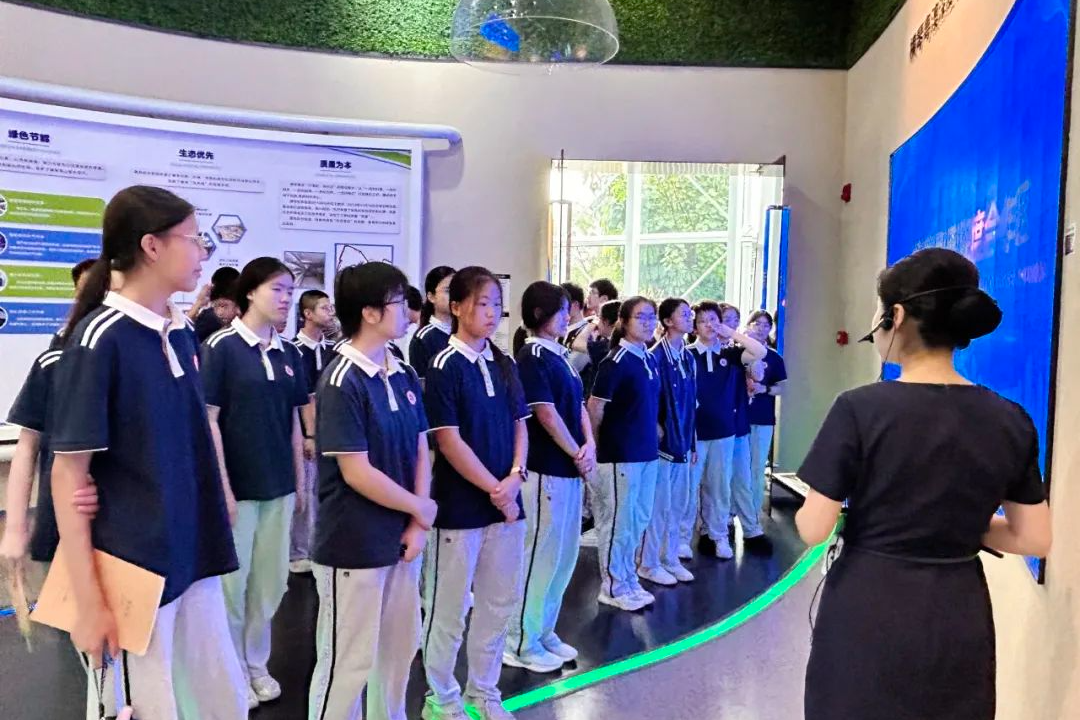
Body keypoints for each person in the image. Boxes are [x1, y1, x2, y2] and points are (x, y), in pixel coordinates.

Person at [796, 248, 1052, 720]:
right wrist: (954, 526)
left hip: (868, 604)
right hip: (958, 611)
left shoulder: (858, 408)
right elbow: (1034, 538)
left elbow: (814, 528)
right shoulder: (1010, 418)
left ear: (894, 316)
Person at [48, 185, 246, 719]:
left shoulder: (178, 332)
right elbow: (68, 474)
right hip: (134, 570)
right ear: (151, 246)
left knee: (220, 701)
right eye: (194, 239)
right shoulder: (99, 340)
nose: (203, 252)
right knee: (147, 706)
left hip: (194, 555)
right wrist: (89, 605)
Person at [307, 262, 437, 720]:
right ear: (370, 312)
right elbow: (356, 472)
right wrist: (420, 507)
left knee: (399, 651)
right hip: (354, 543)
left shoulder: (400, 372)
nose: (408, 311)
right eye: (399, 302)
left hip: (401, 539)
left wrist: (418, 521)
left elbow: (420, 445)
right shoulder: (342, 380)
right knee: (348, 662)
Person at [421, 266, 529, 720]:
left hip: (506, 506)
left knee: (497, 603)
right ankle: (440, 697)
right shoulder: (443, 365)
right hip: (460, 508)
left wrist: (516, 477)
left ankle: (484, 691)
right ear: (457, 306)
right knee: (448, 609)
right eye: (482, 303)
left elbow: (521, 424)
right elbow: (449, 441)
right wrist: (494, 488)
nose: (491, 313)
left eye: (496, 304)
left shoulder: (503, 362)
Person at [202, 257, 309, 710]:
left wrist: (300, 482)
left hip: (279, 487)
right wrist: (223, 489)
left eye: (290, 291)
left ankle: (255, 664)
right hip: (239, 491)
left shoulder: (289, 354)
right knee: (233, 586)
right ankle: (231, 672)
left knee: (270, 585)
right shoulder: (221, 348)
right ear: (250, 292)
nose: (285, 299)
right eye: (277, 290)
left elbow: (294, 422)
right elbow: (209, 421)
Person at [505, 282, 596, 673]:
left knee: (563, 555)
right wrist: (575, 451)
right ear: (539, 314)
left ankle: (543, 630)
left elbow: (577, 407)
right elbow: (545, 413)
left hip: (570, 469)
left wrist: (588, 445)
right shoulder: (532, 355)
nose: (567, 316)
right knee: (539, 555)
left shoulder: (559, 355)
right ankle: (519, 640)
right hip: (546, 471)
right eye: (560, 310)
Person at [587, 297, 661, 612]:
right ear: (624, 321)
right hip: (620, 455)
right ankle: (613, 585)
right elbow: (595, 408)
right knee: (618, 521)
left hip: (647, 453)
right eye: (640, 316)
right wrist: (596, 448)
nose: (647, 322)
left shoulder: (649, 358)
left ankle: (628, 578)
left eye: (651, 316)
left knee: (639, 519)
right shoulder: (615, 361)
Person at [684, 302, 766, 560]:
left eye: (714, 320)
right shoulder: (687, 354)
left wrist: (729, 332)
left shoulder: (730, 353)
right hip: (695, 433)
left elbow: (759, 351)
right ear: (694, 326)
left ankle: (719, 534)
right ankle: (682, 538)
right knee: (689, 488)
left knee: (720, 486)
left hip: (725, 431)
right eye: (703, 321)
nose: (709, 325)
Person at [638, 298, 697, 585]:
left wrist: (692, 442)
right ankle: (649, 563)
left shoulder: (688, 357)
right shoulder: (655, 357)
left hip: (683, 443)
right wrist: (656, 428)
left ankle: (670, 558)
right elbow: (647, 402)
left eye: (690, 313)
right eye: (684, 314)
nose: (690, 318)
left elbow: (691, 403)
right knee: (658, 508)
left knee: (678, 506)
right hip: (662, 448)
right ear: (668, 321)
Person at [290, 289, 337, 574]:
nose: (330, 312)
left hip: (331, 432)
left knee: (324, 490)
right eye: (323, 308)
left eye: (331, 307)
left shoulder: (332, 349)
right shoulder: (295, 350)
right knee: (305, 491)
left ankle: (320, 544)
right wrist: (309, 434)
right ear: (307, 314)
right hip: (305, 433)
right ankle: (299, 551)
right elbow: (305, 398)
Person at [721, 303, 774, 556]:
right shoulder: (699, 351)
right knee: (716, 481)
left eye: (735, 320)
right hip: (713, 426)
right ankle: (719, 526)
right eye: (726, 319)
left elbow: (759, 363)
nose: (730, 324)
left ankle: (751, 528)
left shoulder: (738, 352)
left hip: (739, 422)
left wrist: (736, 335)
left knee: (743, 476)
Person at [744, 310, 787, 526]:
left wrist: (765, 389)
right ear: (748, 325)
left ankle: (752, 513)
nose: (761, 328)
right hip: (738, 419)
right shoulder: (738, 353)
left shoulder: (774, 357)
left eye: (766, 325)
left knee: (757, 466)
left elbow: (782, 388)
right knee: (736, 467)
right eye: (757, 324)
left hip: (763, 419)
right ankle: (730, 513)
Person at [410, 266, 456, 381]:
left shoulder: (464, 333)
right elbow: (422, 384)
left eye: (456, 290)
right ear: (431, 297)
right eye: (447, 291)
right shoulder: (422, 339)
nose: (454, 296)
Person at [192, 266, 240, 343]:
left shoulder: (209, 317)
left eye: (224, 306)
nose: (220, 313)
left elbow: (188, 338)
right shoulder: (244, 314)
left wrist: (198, 302)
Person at [559, 282, 590, 373]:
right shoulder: (560, 329)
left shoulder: (586, 332)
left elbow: (572, 366)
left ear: (575, 304)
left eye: (561, 304)